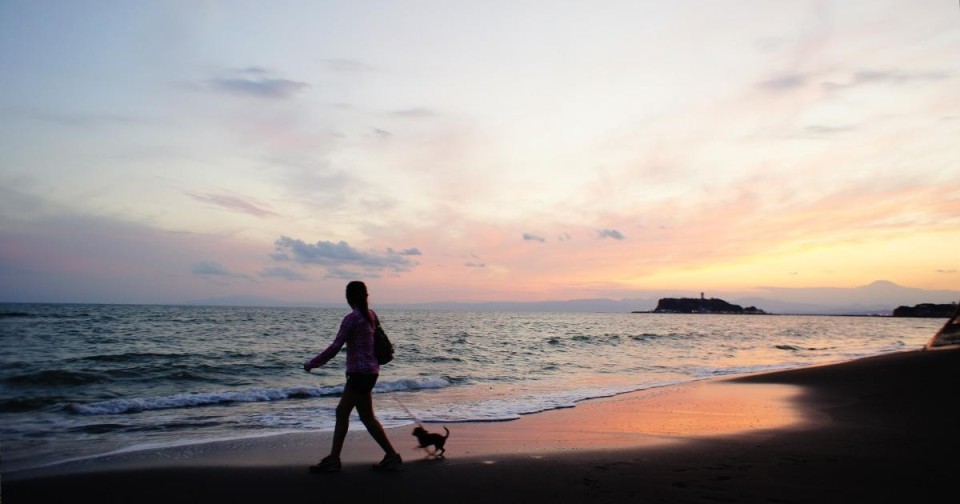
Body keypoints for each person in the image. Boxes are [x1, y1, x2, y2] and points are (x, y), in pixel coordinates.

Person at [303, 280, 402, 472]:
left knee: (358, 416)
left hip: (359, 374)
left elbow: (335, 347)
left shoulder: (352, 318)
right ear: (365, 296)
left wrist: (312, 363)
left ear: (348, 297)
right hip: (370, 372)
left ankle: (339, 459)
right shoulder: (371, 315)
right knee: (353, 414)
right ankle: (338, 458)